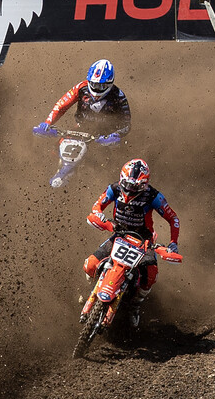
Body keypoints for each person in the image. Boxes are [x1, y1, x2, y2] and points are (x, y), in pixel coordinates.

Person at [80, 158, 181, 295]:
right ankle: (93, 289)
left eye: (135, 187)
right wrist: (99, 216)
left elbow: (173, 218)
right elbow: (97, 206)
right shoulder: (114, 189)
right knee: (90, 265)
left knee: (150, 277)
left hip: (144, 241)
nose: (129, 189)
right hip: (120, 234)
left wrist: (173, 243)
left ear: (144, 185)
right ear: (122, 179)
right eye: (127, 184)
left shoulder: (153, 196)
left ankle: (135, 305)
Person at [34, 59, 131, 187]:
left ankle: (98, 187)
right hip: (79, 129)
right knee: (55, 148)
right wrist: (47, 123)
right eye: (94, 84)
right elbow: (62, 105)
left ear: (110, 83)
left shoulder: (118, 96)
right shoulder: (81, 87)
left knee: (105, 163)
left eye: (101, 86)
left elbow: (126, 124)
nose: (96, 89)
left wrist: (115, 135)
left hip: (103, 135)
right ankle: (42, 176)